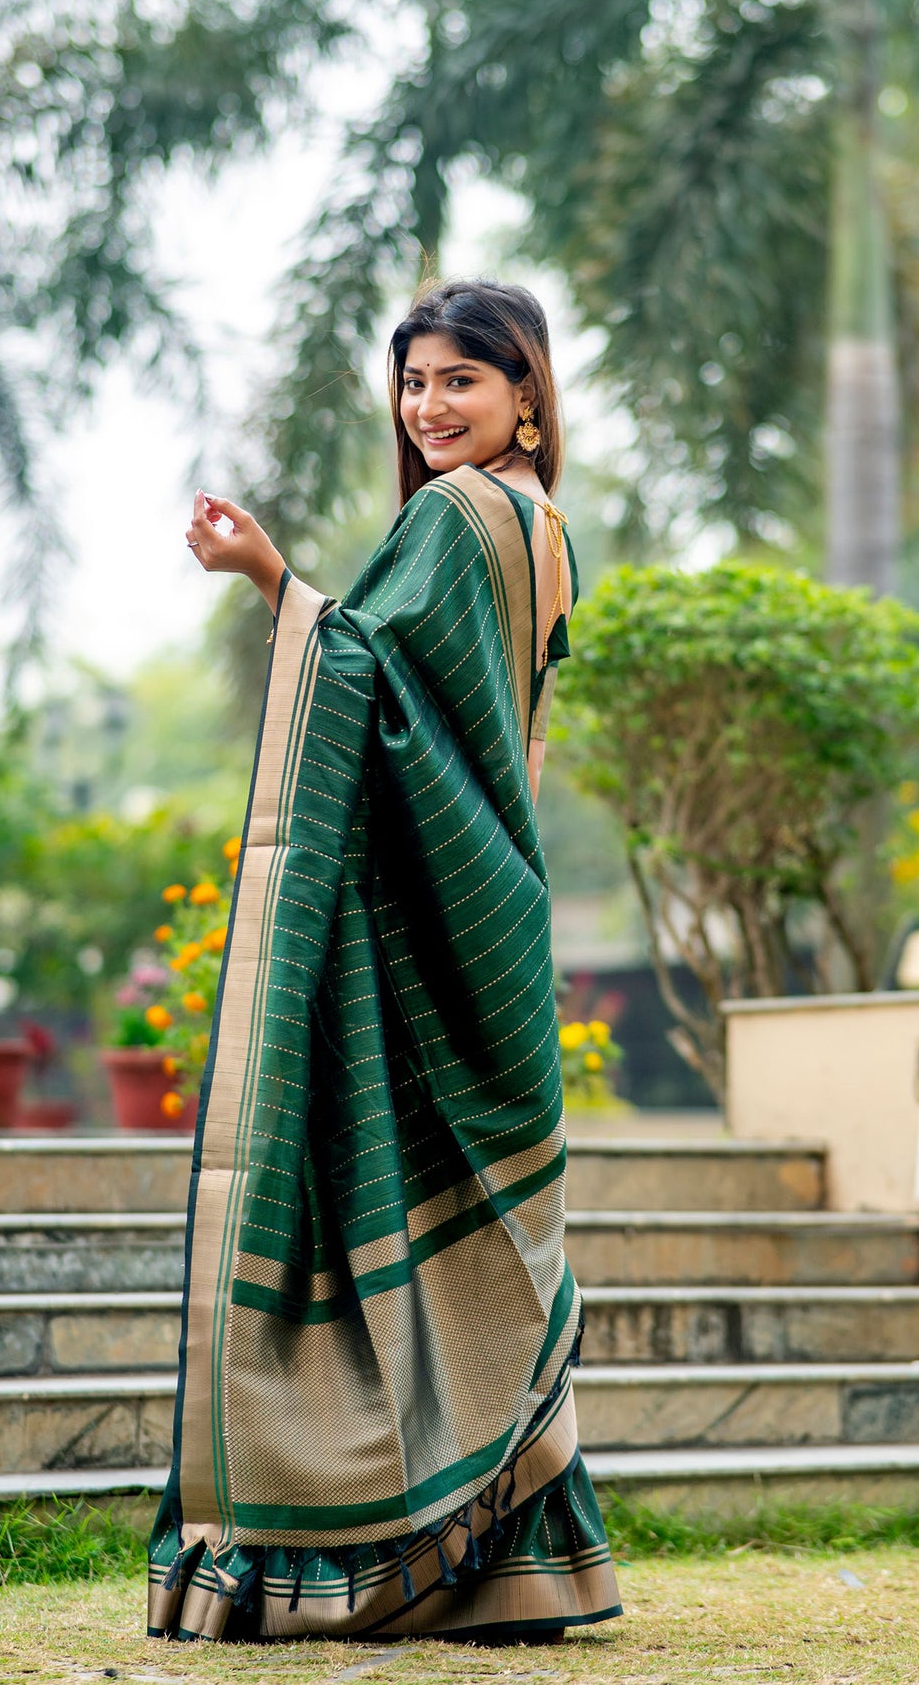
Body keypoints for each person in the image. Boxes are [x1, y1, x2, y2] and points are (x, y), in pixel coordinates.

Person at [148, 278, 622, 1643]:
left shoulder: (460, 514)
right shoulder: (544, 526)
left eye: (459, 381)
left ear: (526, 391)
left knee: (396, 1249)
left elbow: (371, 679)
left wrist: (272, 585)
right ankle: (508, 1563)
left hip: (436, 936)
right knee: (492, 1258)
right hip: (490, 920)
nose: (428, 408)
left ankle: (385, 1560)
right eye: (413, 384)